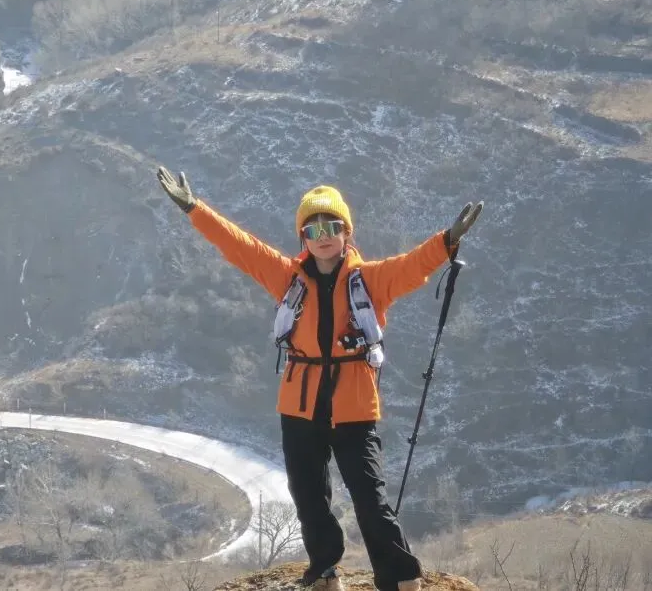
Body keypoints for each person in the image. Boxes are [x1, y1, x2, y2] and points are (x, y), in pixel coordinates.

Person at [156, 166, 483, 591]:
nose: (323, 236)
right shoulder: (286, 277)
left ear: (347, 232)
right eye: (313, 229)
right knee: (308, 496)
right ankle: (326, 572)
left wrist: (447, 240)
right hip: (299, 406)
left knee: (369, 498)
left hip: (354, 407)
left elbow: (412, 265)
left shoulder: (371, 281)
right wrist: (194, 209)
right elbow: (240, 246)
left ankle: (402, 577)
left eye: (332, 226)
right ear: (303, 239)